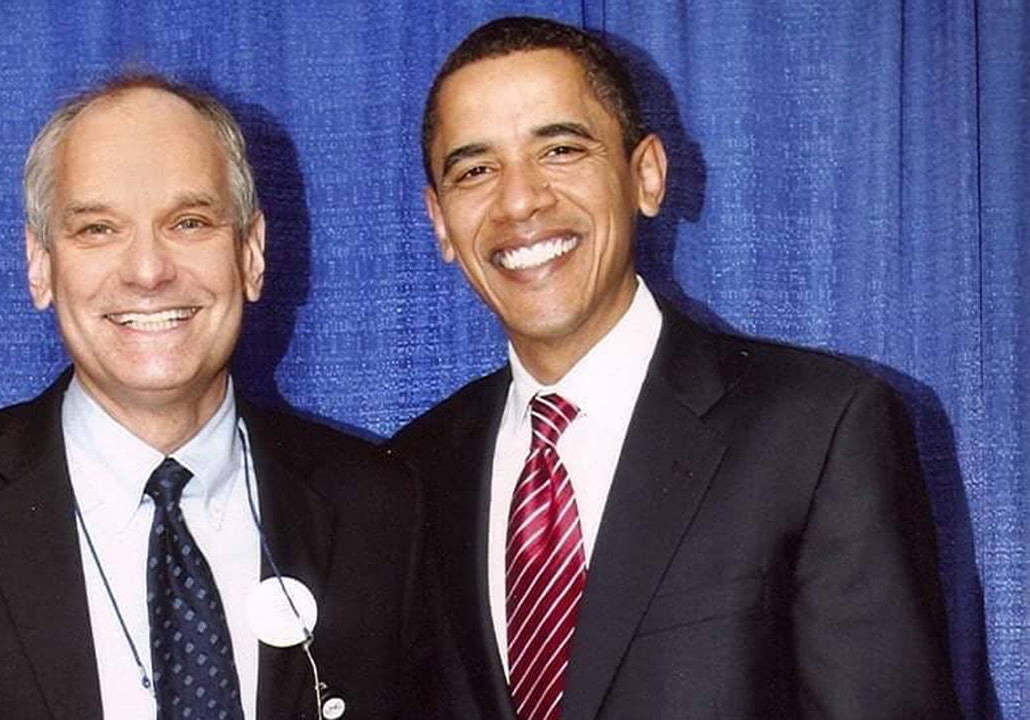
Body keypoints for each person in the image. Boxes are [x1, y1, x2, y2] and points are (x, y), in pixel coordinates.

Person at [0, 73, 427, 720]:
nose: (148, 271)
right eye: (97, 229)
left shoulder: (381, 511)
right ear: (41, 265)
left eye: (189, 222)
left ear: (251, 254)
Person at [389, 16, 959, 720]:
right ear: (440, 220)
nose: (519, 200)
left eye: (560, 150)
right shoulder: (407, 479)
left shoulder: (819, 432)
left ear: (647, 176)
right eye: (475, 170)